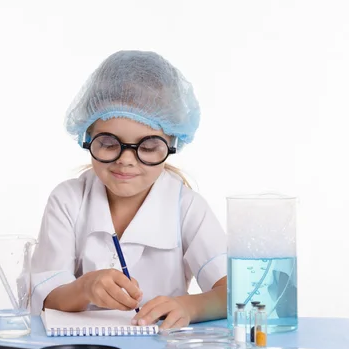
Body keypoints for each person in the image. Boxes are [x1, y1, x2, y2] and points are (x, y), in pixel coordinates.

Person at [20, 50, 227, 330]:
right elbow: (44, 297)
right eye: (108, 143)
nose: (126, 159)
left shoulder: (186, 206)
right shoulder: (67, 200)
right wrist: (84, 288)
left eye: (149, 147)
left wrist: (188, 306)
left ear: (172, 144)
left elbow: (235, 292)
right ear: (87, 137)